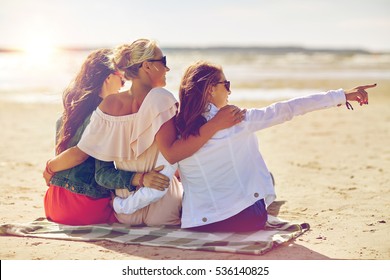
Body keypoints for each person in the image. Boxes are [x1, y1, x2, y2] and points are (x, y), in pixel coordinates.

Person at [45, 40, 245, 226]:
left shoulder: (106, 106)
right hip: (160, 205)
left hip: (124, 211)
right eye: (163, 61)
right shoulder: (161, 98)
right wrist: (216, 123)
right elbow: (175, 154)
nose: (167, 68)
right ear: (147, 66)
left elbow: (101, 174)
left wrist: (138, 179)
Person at [173, 61, 375, 232]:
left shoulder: (178, 126)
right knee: (267, 178)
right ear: (210, 89)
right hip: (242, 220)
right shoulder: (237, 120)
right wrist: (341, 96)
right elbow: (287, 109)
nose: (229, 89)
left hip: (197, 223)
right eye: (226, 83)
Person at [43, 48, 171, 226]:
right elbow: (100, 172)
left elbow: (70, 159)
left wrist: (50, 167)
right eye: (121, 78)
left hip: (53, 204)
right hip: (84, 208)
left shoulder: (68, 116)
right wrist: (139, 178)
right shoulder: (104, 118)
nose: (123, 85)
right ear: (108, 78)